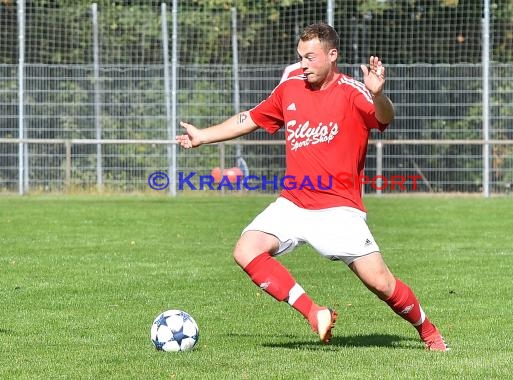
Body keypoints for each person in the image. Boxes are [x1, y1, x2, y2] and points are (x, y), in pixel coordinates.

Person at [176, 22, 448, 351]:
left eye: (310, 57)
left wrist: (378, 94)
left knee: (381, 283)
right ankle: (314, 312)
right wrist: (203, 136)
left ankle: (429, 331)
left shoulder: (353, 92)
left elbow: (384, 118)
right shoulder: (290, 90)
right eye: (300, 57)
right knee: (246, 250)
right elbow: (249, 118)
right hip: (293, 203)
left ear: (332, 55)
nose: (303, 65)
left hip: (338, 210)